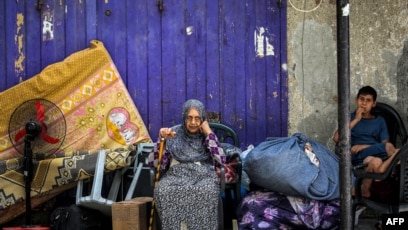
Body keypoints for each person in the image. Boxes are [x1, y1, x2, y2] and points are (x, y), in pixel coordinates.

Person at [148, 99, 226, 230]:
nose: (193, 122)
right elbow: (153, 162)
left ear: (202, 119)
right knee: (163, 190)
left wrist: (209, 133)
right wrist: (161, 141)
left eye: (197, 118)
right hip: (176, 175)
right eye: (189, 118)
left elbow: (221, 159)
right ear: (184, 118)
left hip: (203, 175)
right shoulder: (173, 134)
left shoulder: (206, 135)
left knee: (206, 191)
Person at [333, 86, 399, 198]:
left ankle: (364, 189)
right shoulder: (350, 117)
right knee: (392, 149)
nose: (364, 103)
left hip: (373, 155)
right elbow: (336, 138)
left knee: (376, 162)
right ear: (356, 100)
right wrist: (356, 120)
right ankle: (397, 159)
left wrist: (365, 146)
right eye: (361, 99)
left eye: (368, 100)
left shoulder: (380, 121)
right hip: (354, 154)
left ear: (373, 104)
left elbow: (385, 143)